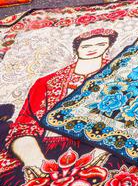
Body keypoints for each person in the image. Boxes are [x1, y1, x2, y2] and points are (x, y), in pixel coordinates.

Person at [5, 28, 118, 167]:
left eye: (100, 44)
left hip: (109, 144)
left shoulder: (121, 73)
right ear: (77, 49)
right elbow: (25, 125)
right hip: (50, 149)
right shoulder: (46, 82)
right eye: (86, 46)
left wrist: (104, 150)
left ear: (108, 46)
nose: (92, 49)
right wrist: (34, 160)